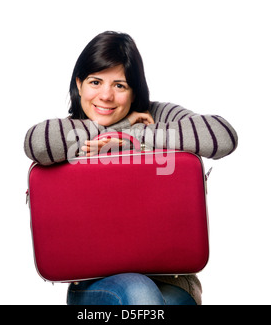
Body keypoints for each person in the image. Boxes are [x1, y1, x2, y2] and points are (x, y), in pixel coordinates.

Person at [24, 31, 238, 305]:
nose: (106, 96)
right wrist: (117, 126)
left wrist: (134, 135)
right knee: (139, 294)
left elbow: (223, 136)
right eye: (95, 82)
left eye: (120, 86)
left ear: (135, 90)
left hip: (171, 279)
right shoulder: (70, 128)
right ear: (79, 85)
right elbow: (37, 145)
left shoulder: (159, 114)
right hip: (93, 281)